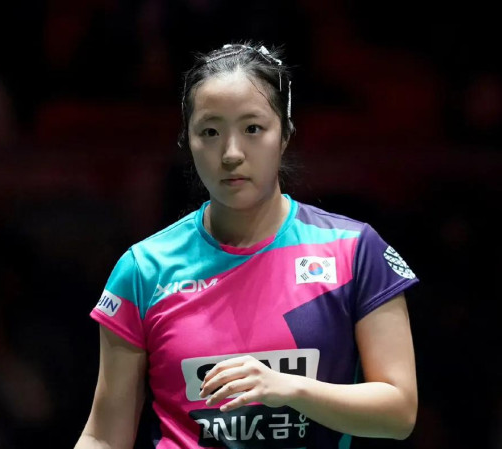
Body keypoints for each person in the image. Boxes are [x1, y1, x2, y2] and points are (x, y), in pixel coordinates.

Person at [74, 41, 419, 449]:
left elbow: (399, 412)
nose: (231, 154)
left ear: (285, 134)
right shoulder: (145, 269)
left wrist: (289, 388)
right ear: (187, 141)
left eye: (253, 129)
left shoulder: (353, 251)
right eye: (210, 132)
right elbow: (103, 436)